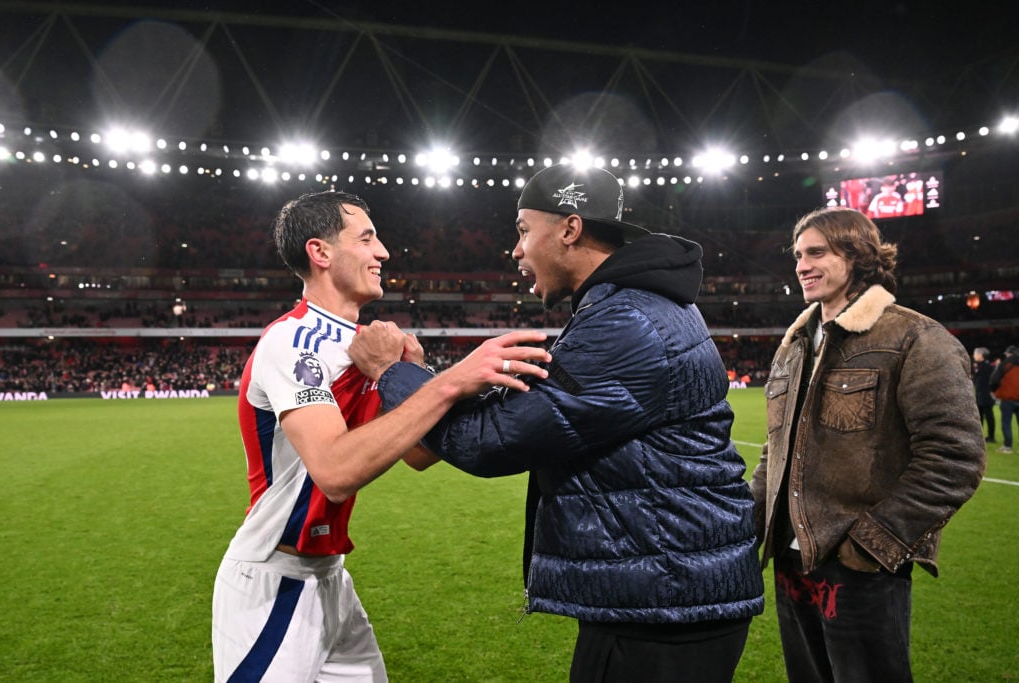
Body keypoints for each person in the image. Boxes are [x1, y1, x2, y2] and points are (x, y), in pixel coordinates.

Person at [349, 165, 765, 682]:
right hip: (667, 587)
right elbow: (516, 419)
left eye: (524, 230)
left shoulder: (626, 323)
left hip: (664, 603)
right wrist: (434, 382)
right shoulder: (630, 308)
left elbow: (491, 444)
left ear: (570, 229)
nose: (517, 250)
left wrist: (393, 373)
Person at [211, 190, 551, 682]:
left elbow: (416, 452)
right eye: (367, 238)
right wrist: (451, 380)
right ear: (320, 252)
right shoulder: (295, 343)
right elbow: (335, 471)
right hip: (273, 582)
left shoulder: (367, 346)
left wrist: (420, 378)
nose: (383, 252)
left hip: (329, 580)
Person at [750, 206, 986, 682]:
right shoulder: (794, 344)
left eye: (817, 252)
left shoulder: (915, 337)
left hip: (861, 566)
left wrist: (873, 544)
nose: (801, 265)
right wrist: (753, 526)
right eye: (798, 255)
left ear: (857, 255)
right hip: (791, 560)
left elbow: (955, 457)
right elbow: (774, 451)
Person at [990, 345, 1019, 454]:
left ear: (1009, 353)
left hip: (1008, 398)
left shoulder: (1006, 363)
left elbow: (995, 380)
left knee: (1006, 423)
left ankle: (1007, 446)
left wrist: (993, 390)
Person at [972, 346, 997, 442]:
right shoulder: (980, 365)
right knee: (979, 416)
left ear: (980, 355)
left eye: (975, 354)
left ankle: (991, 436)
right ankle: (980, 435)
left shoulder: (987, 366)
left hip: (986, 395)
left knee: (989, 416)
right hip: (980, 394)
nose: (974, 356)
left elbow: (993, 380)